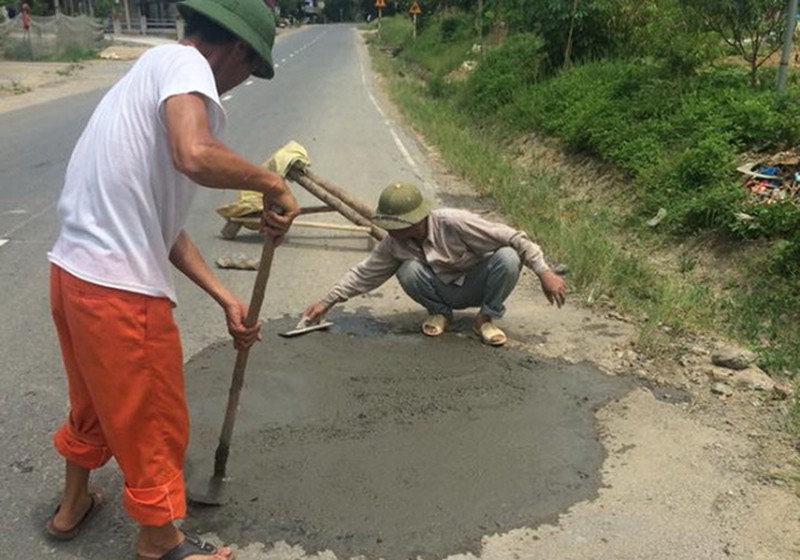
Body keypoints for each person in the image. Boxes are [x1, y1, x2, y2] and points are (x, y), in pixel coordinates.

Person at [45, 0, 299, 558]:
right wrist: (270, 185)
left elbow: (162, 226)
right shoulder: (188, 67)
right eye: (249, 69)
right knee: (154, 417)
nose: (236, 86)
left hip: (72, 276)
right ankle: (160, 540)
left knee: (94, 402)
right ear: (236, 50)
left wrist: (223, 295)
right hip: (118, 292)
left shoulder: (150, 72)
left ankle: (72, 507)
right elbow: (195, 154)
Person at [304, 182, 566, 346]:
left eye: (397, 226)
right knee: (407, 269)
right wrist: (327, 301)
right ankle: (440, 313)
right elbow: (364, 274)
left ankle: (485, 318)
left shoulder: (454, 222)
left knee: (508, 256)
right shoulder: (395, 242)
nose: (391, 231)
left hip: (475, 284)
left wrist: (544, 271)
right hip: (440, 290)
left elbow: (513, 237)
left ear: (417, 220)